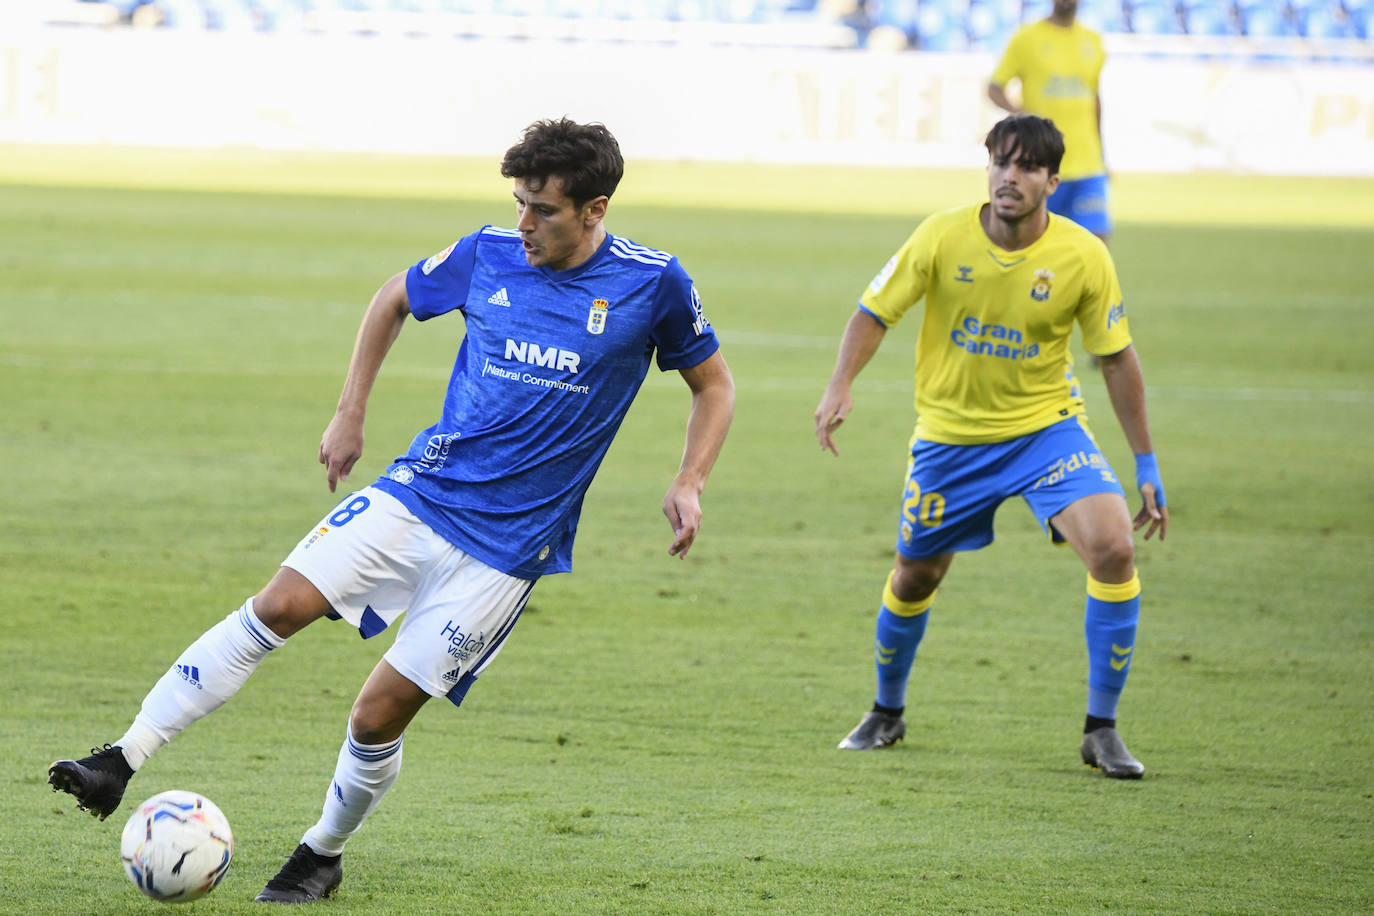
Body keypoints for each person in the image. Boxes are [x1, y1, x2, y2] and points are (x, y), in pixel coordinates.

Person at [48, 118, 735, 902]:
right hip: (419, 492)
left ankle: (321, 852)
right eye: (518, 203)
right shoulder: (487, 254)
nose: (523, 223)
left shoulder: (654, 284)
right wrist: (350, 412)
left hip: (505, 552)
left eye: (542, 209)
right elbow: (393, 299)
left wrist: (691, 480)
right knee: (277, 604)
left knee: (377, 714)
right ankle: (119, 759)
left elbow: (714, 384)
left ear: (595, 209)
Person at [814, 114, 1166, 778]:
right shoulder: (942, 235)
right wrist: (840, 385)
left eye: (1028, 166)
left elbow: (1117, 358)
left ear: (1052, 181)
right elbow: (874, 311)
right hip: (951, 439)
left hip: (1046, 431)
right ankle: (886, 710)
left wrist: (1145, 462)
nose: (1010, 176)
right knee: (917, 572)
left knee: (1115, 547)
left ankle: (1102, 728)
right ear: (988, 168)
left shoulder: (1084, 255)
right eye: (1001, 162)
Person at [988, 0, 1111, 247]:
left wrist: (1102, 154)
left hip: (1088, 163)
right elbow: (994, 88)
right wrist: (1023, 117)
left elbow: (1094, 99)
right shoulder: (1026, 38)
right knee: (1036, 245)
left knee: (1096, 243)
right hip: (1040, 163)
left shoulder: (1093, 40)